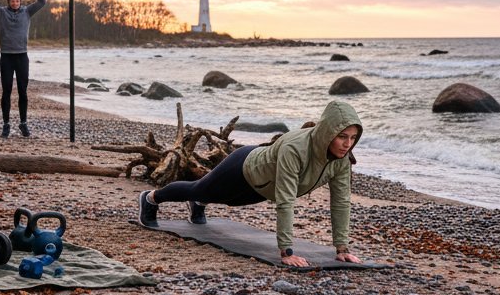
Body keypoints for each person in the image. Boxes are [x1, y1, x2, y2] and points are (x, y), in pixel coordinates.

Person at [138, 100, 363, 268]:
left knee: (228, 202)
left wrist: (342, 248)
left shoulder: (342, 160)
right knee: (198, 188)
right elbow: (285, 200)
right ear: (327, 132)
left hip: (263, 186)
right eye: (342, 136)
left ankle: (199, 202)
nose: (347, 144)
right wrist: (286, 252)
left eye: (353, 138)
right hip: (243, 167)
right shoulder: (295, 148)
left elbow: (341, 202)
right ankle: (150, 198)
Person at [0, 0, 45, 137]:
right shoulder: (1, 12)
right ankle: (6, 124)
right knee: (6, 91)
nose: (15, 3)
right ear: (8, 1)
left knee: (23, 91)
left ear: (20, 1)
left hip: (22, 57)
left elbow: (41, 2)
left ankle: (23, 123)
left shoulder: (27, 11)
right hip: (7, 58)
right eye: (12, 1)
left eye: (17, 0)